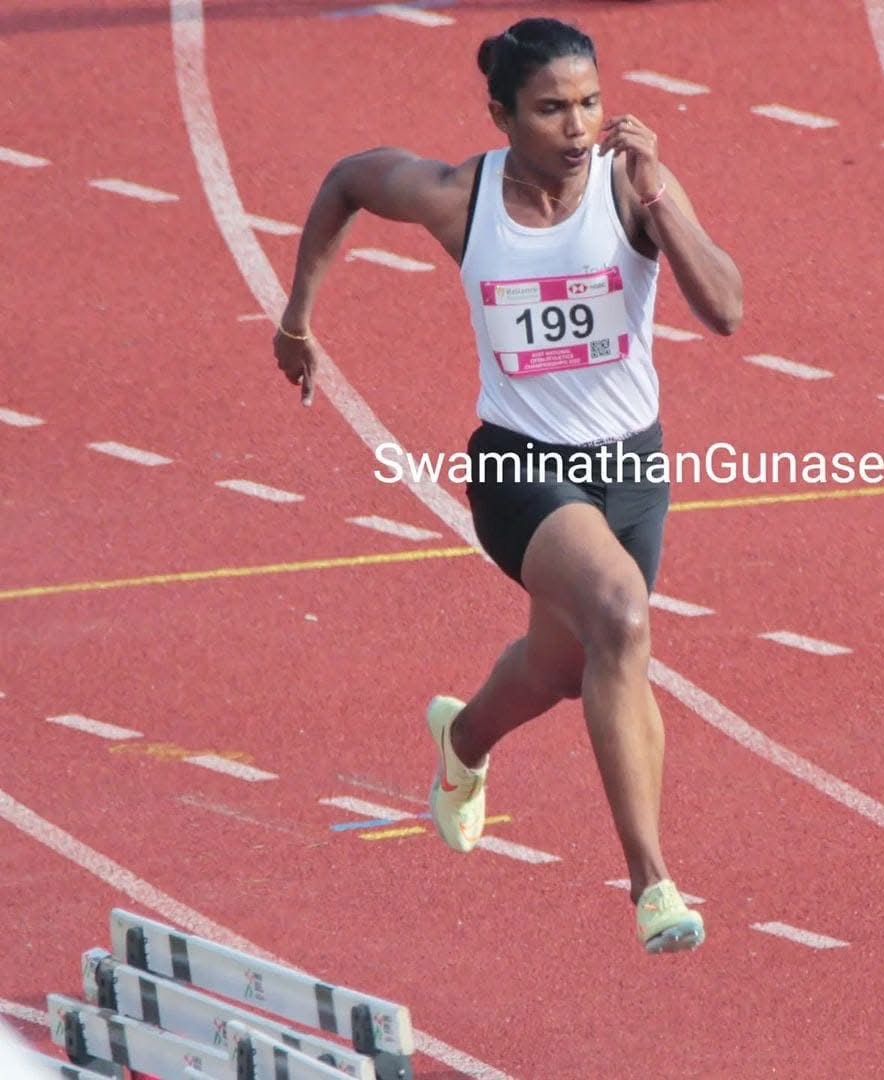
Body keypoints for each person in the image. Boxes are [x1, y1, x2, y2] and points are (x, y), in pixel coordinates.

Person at [274, 17, 742, 953]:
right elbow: (346, 181)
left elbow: (725, 309)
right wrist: (297, 319)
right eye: (552, 108)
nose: (578, 127)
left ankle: (464, 741)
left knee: (567, 671)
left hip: (633, 470)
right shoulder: (460, 198)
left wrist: (665, 203)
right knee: (620, 618)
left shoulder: (630, 185)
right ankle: (653, 884)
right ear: (501, 115)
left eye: (591, 103)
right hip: (517, 466)